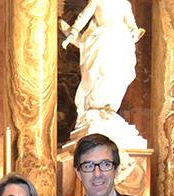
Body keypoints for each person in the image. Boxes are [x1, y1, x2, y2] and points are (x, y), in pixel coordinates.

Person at [59, 0, 143, 130]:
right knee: (100, 73)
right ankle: (96, 108)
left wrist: (134, 32)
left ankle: (109, 108)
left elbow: (132, 25)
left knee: (117, 76)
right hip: (101, 42)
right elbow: (83, 17)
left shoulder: (124, 4)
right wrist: (72, 34)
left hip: (121, 42)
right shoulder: (97, 1)